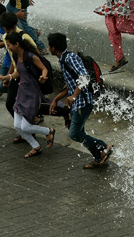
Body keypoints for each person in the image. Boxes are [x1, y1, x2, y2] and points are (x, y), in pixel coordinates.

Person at [48, 32, 113, 168]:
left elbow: (84, 77)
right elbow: (70, 85)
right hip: (78, 102)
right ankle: (98, 158)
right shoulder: (63, 59)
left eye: (49, 46)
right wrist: (56, 99)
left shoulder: (70, 57)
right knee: (80, 133)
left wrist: (74, 96)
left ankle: (104, 146)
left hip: (83, 102)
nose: (48, 48)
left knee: (75, 133)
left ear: (53, 47)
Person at [0, 32, 55, 158]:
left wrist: (43, 76)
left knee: (25, 126)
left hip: (32, 93)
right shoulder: (16, 56)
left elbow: (44, 68)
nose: (8, 47)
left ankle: (49, 131)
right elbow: (17, 72)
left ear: (17, 44)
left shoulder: (31, 56)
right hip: (21, 92)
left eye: (9, 45)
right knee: (17, 125)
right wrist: (5, 77)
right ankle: (36, 147)